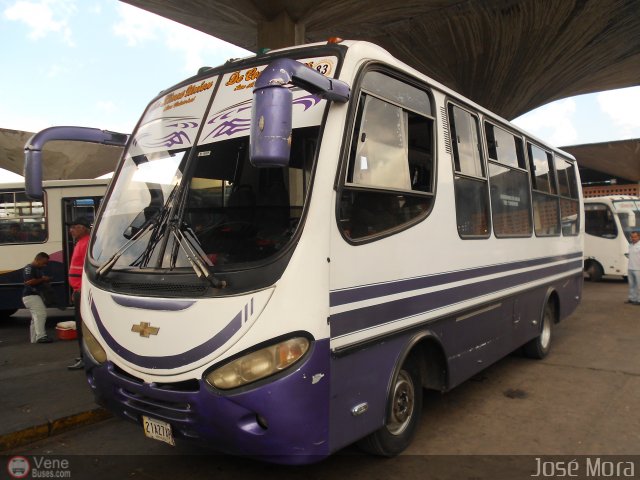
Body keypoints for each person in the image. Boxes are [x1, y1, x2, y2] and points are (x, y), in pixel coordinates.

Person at [66, 217, 92, 370]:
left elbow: (87, 269)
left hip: (82, 291)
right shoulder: (81, 243)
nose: (71, 230)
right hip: (78, 290)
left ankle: (85, 357)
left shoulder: (87, 243)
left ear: (82, 228)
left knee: (82, 327)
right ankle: (83, 354)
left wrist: (81, 289)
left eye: (74, 227)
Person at [22, 252, 52, 343]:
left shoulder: (36, 269)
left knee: (35, 317)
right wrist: (43, 279)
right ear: (37, 260)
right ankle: (41, 336)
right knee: (41, 314)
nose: (45, 265)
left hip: (32, 295)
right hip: (31, 295)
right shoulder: (29, 268)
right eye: (44, 262)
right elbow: (29, 282)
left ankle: (34, 338)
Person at [626, 231, 640, 305]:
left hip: (638, 269)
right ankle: (632, 298)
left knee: (639, 286)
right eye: (632, 237)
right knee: (631, 285)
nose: (633, 238)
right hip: (630, 268)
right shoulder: (630, 245)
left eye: (635, 237)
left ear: (639, 237)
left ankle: (639, 300)